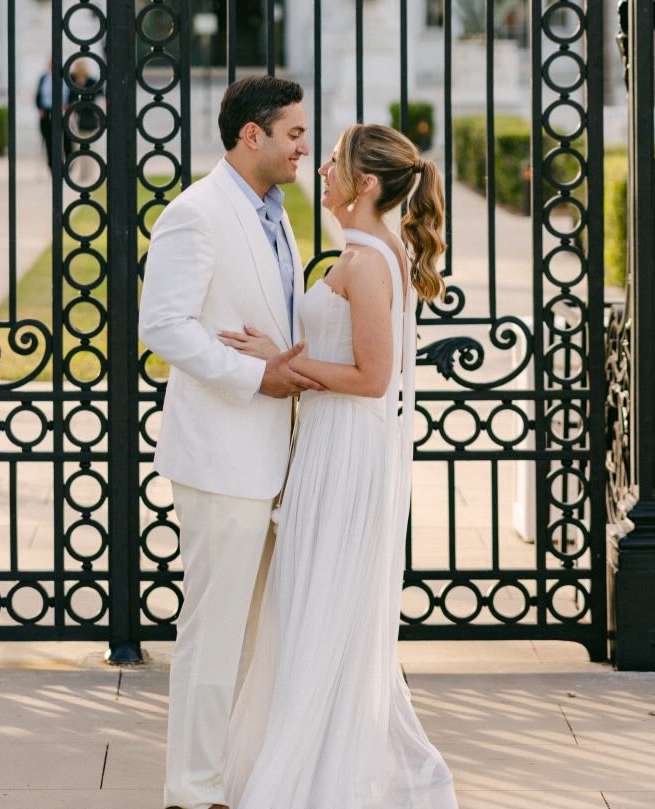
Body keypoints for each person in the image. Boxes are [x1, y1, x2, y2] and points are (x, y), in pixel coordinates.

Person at [220, 122, 458, 809]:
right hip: (325, 445)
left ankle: (321, 773)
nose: (319, 169)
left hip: (349, 453)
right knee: (308, 603)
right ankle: (310, 752)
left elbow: (372, 377)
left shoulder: (368, 262)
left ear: (367, 183)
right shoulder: (358, 251)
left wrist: (281, 363)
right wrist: (284, 349)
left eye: (332, 163)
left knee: (319, 603)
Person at [139, 76, 316, 809]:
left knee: (256, 634)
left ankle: (235, 775)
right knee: (212, 634)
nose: (305, 145)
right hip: (220, 456)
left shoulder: (278, 212)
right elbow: (163, 326)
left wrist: (283, 361)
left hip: (277, 453)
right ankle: (192, 789)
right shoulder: (196, 213)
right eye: (294, 133)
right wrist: (256, 374)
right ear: (253, 134)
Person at [34, 56, 68, 169]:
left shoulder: (65, 77)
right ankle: (52, 166)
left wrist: (68, 108)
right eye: (49, 63)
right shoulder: (43, 77)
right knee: (49, 140)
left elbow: (70, 94)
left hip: (62, 111)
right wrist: (39, 108)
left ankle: (67, 165)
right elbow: (38, 95)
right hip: (47, 111)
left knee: (66, 139)